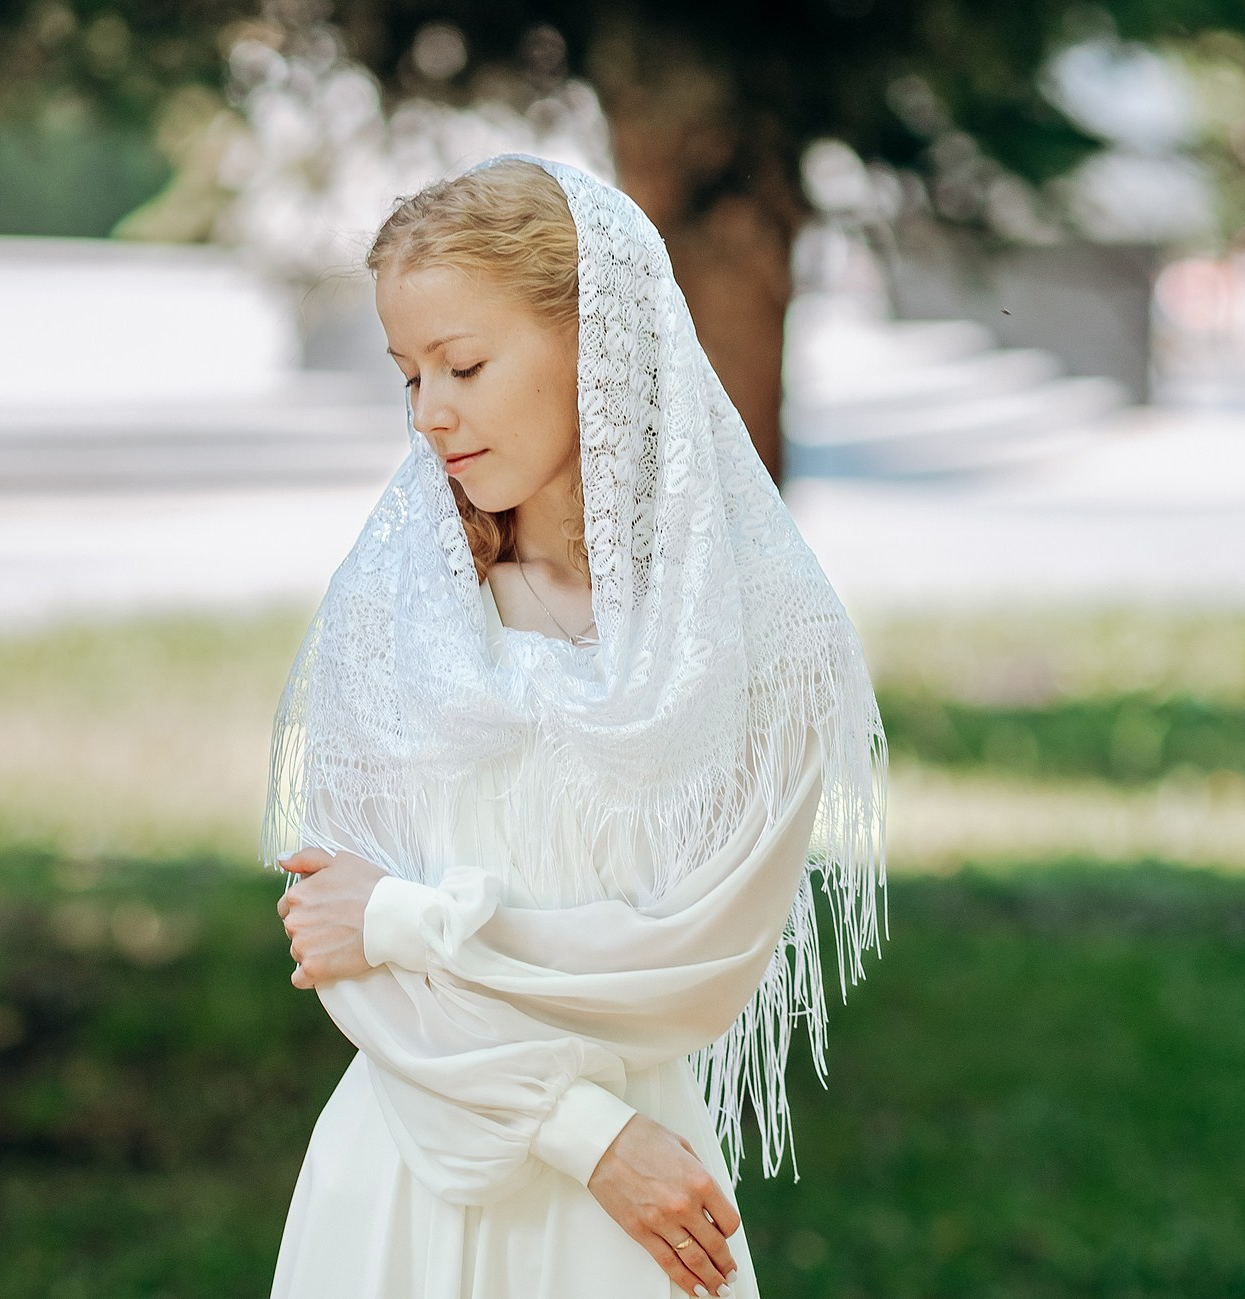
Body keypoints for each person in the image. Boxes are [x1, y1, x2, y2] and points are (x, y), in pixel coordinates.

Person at [264, 153, 888, 1299]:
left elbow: (693, 962)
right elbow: (336, 953)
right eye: (408, 376)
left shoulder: (760, 635)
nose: (432, 413)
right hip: (408, 1181)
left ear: (598, 342)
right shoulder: (396, 612)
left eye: (464, 363)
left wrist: (403, 919)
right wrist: (586, 1135)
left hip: (630, 1231)